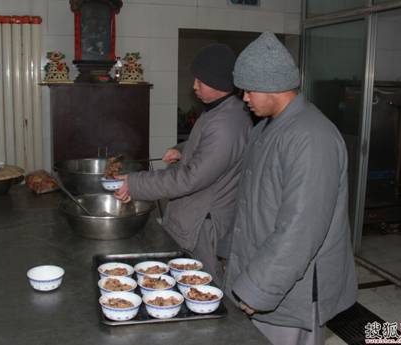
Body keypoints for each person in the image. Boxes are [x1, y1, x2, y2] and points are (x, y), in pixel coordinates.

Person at [223, 32, 357, 345]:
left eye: (249, 89)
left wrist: (260, 288)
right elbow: (251, 203)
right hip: (261, 268)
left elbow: (301, 229)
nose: (244, 98)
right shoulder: (266, 129)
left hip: (289, 289)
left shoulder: (311, 137)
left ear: (274, 85)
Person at [114, 44, 252, 283]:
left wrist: (135, 184)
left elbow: (190, 178)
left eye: (200, 80)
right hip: (194, 216)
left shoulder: (227, 124)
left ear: (218, 82)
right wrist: (181, 149)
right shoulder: (221, 110)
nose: (194, 86)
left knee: (201, 286)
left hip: (203, 226)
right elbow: (207, 147)